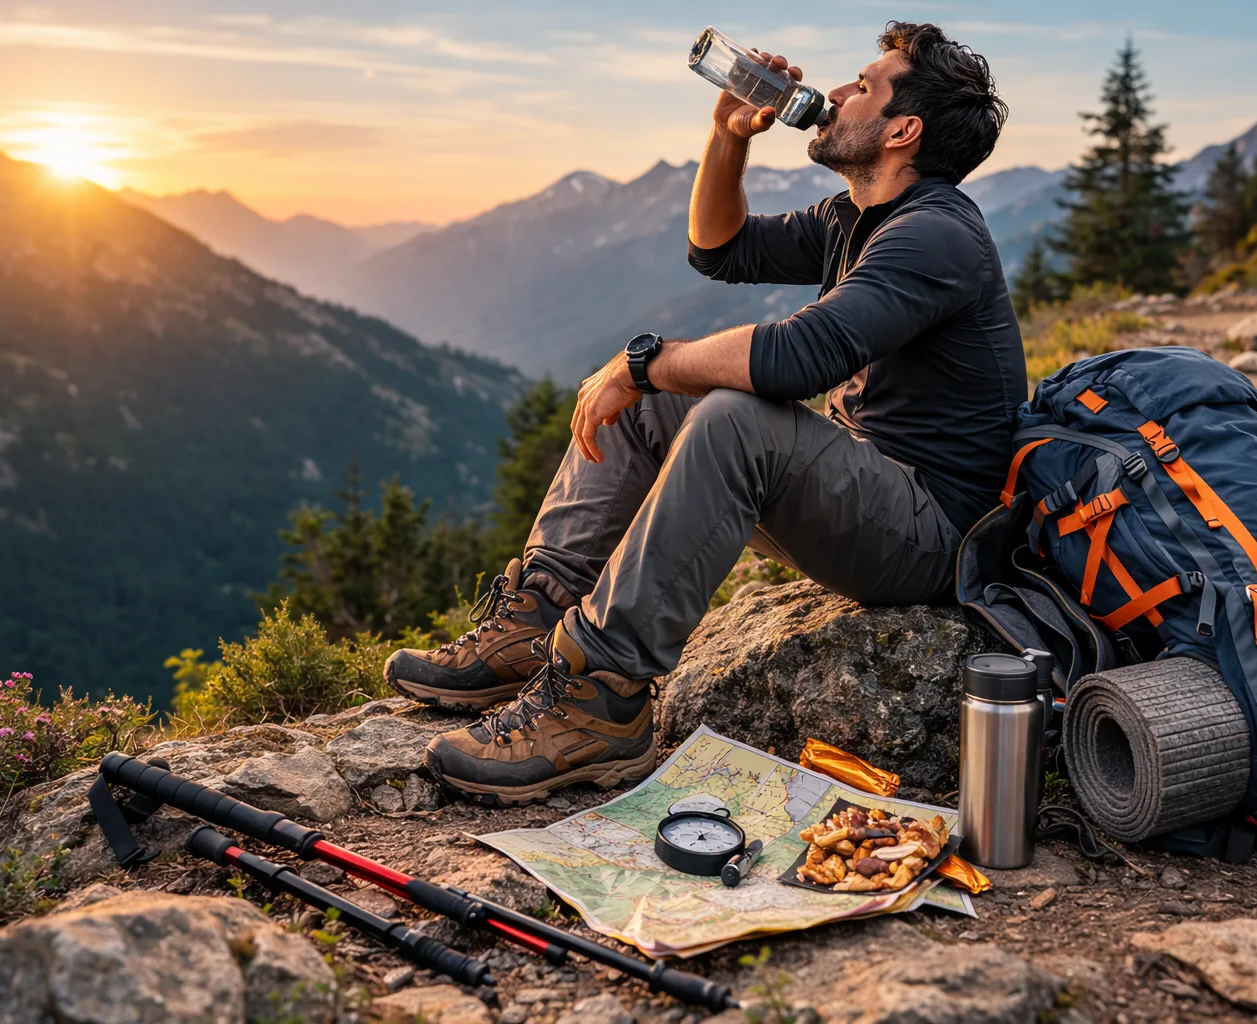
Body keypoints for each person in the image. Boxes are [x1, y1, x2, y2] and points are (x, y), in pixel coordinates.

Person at [384, 21, 1024, 805]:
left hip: (931, 534)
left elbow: (799, 359)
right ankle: (534, 623)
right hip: (865, 494)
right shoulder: (852, 219)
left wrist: (641, 362)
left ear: (902, 129)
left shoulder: (935, 233)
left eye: (866, 83)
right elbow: (719, 249)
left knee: (729, 413)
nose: (842, 92)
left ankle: (602, 702)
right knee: (669, 400)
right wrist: (727, 137)